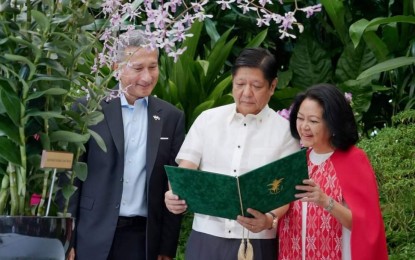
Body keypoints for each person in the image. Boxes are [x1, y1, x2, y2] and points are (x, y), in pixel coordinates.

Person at [165, 47, 300, 260]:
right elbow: (185, 172)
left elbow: (286, 190)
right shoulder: (207, 120)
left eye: (256, 86)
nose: (246, 93)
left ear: (272, 86)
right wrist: (173, 195)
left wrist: (269, 219)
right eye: (239, 84)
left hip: (258, 242)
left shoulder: (284, 132)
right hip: (206, 237)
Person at [66, 30, 185, 260]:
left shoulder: (171, 117)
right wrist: (67, 239)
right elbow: (69, 180)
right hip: (91, 233)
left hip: (142, 239)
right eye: (138, 68)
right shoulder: (88, 109)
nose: (147, 77)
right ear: (115, 67)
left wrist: (166, 249)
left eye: (153, 67)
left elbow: (174, 184)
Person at [277, 83, 388, 259]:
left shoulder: (353, 160)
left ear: (333, 123)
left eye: (313, 121)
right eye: (300, 118)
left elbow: (365, 225)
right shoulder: (298, 161)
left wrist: (325, 201)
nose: (304, 126)